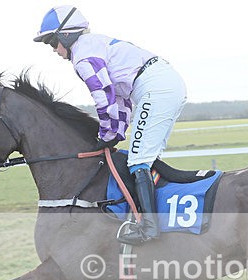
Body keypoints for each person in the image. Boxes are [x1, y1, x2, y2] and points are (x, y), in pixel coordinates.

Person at [34, 5, 187, 244]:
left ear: (66, 34)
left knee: (138, 161)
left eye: (52, 42)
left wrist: (107, 133)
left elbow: (103, 95)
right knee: (143, 158)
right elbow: (119, 98)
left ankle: (149, 227)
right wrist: (116, 131)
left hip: (155, 88)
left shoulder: (83, 55)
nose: (53, 49)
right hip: (162, 84)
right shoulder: (93, 45)